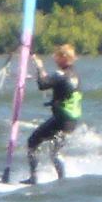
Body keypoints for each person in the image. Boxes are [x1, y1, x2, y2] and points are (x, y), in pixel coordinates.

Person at [21, 44, 82, 185]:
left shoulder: (61, 75)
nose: (54, 58)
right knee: (54, 152)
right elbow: (60, 86)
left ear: (64, 58)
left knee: (32, 143)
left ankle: (35, 178)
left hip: (61, 120)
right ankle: (61, 180)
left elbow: (42, 84)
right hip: (70, 121)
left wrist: (39, 66)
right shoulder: (75, 74)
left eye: (57, 56)